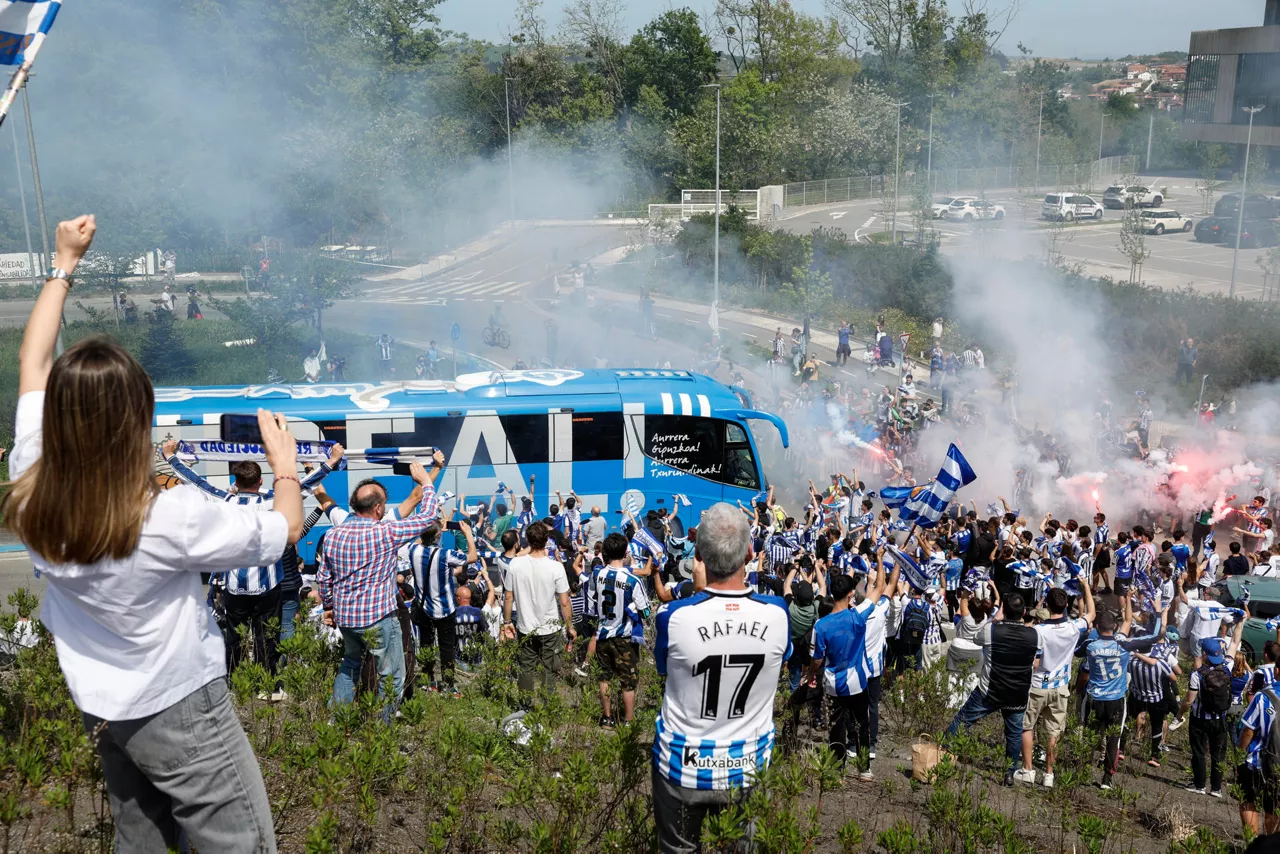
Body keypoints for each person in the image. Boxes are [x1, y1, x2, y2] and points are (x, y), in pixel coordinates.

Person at [1, 212, 301, 853]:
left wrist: (62, 268)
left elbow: (32, 362)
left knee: (142, 844)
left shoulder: (30, 482)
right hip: (182, 707)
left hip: (103, 710)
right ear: (135, 420)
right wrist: (286, 470)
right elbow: (284, 529)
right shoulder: (168, 517)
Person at [651, 503, 789, 853]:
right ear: (750, 552)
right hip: (749, 766)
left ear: (697, 556)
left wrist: (699, 595)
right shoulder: (777, 615)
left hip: (683, 765)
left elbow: (665, 668)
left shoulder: (673, 616)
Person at [162, 442, 342, 694]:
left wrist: (170, 457)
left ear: (236, 482)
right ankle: (267, 686)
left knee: (233, 637)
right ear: (260, 482)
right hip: (268, 586)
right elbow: (306, 485)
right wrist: (331, 461)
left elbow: (195, 483)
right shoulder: (274, 501)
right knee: (266, 638)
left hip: (235, 587)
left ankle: (233, 684)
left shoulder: (225, 501)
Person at [318, 452, 444, 716]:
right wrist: (426, 481)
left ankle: (336, 721)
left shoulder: (332, 534)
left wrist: (328, 606)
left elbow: (324, 577)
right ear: (377, 509)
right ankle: (380, 729)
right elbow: (429, 514)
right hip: (379, 618)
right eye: (384, 505)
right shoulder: (385, 532)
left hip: (347, 619)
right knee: (391, 676)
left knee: (350, 664)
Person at [810, 548, 898, 779]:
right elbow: (880, 589)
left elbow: (817, 658)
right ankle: (864, 768)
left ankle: (837, 769)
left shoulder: (821, 625)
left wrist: (810, 674)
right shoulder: (858, 617)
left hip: (833, 683)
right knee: (863, 724)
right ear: (850, 594)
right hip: (858, 681)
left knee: (837, 726)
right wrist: (879, 559)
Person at [945, 593, 1041, 787]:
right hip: (1017, 692)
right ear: (1023, 612)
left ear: (1004, 609)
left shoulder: (991, 630)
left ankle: (943, 752)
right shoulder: (1035, 635)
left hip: (990, 689)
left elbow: (976, 638)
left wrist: (993, 619)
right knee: (1013, 734)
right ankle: (1009, 773)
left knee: (963, 720)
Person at [1016, 584, 1094, 788]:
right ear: (1066, 605)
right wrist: (1086, 587)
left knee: (1027, 725)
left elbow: (1033, 660)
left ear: (1048, 606)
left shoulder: (1038, 630)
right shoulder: (1073, 628)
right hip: (1061, 686)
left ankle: (1028, 769)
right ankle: (1049, 774)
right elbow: (1091, 614)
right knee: (1054, 731)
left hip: (1038, 684)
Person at [502, 521, 576, 700]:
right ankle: (548, 705)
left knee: (526, 668)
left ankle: (525, 706)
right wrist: (569, 626)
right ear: (547, 540)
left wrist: (506, 622)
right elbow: (564, 602)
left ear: (527, 540)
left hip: (525, 626)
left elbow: (508, 597)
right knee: (549, 669)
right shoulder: (555, 567)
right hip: (550, 627)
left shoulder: (515, 565)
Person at [408, 516, 478, 697]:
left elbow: (419, 540)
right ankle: (448, 685)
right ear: (438, 536)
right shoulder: (445, 555)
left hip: (423, 608)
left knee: (426, 644)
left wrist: (430, 530)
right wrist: (468, 534)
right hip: (445, 608)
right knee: (446, 647)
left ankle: (428, 681)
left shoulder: (413, 550)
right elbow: (473, 557)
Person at [592, 533, 650, 726]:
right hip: (624, 636)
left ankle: (607, 717)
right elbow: (646, 611)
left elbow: (591, 603)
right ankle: (628, 720)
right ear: (626, 553)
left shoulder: (597, 574)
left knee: (604, 677)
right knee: (628, 680)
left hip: (602, 633)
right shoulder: (632, 580)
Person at [1182, 636, 1235, 797]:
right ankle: (1216, 788)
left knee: (1199, 752)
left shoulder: (1197, 675)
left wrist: (1179, 714)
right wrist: (1240, 623)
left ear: (1204, 654)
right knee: (1218, 754)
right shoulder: (1227, 668)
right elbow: (1233, 645)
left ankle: (1199, 785)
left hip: (1199, 720)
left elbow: (1189, 701)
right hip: (1220, 719)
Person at [1238, 671, 1280, 836]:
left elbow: (1248, 730)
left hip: (1257, 761)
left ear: (1277, 671)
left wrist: (1240, 754)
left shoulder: (1264, 696)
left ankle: (1253, 844)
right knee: (1275, 807)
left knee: (1248, 801)